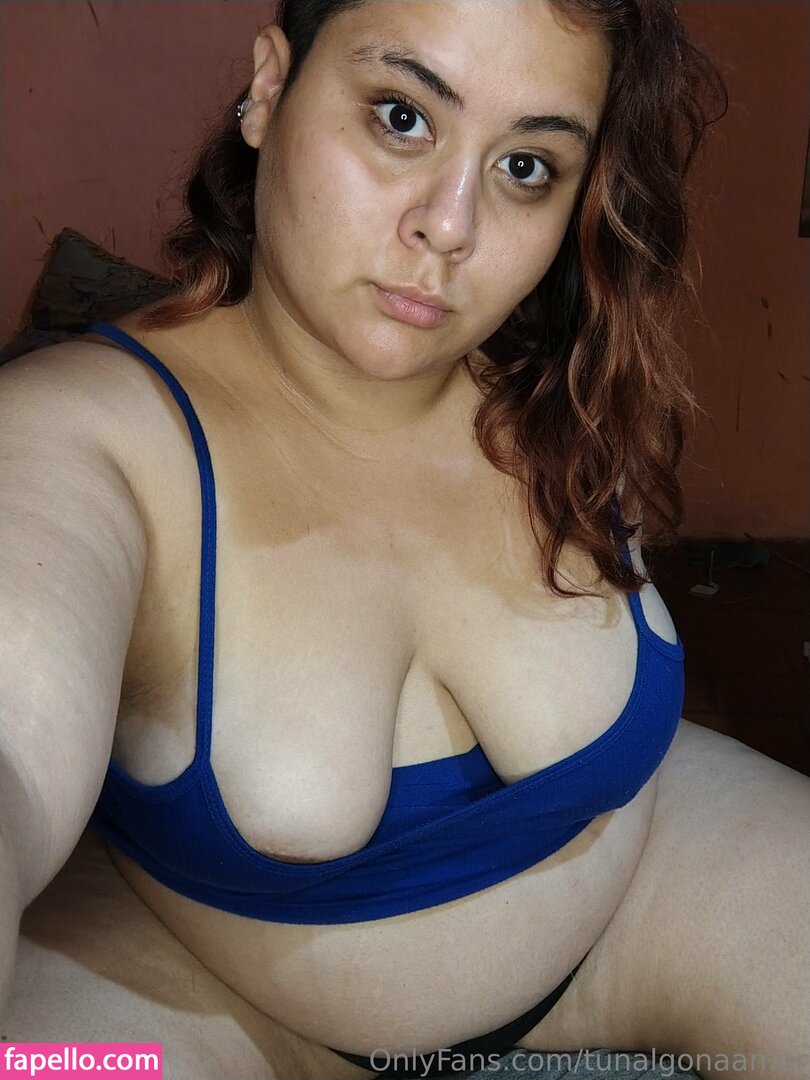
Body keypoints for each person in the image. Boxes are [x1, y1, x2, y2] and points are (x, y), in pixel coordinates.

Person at [1, 2, 808, 1079]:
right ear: (270, 87)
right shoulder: (78, 438)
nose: (451, 226)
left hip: (636, 897)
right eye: (401, 116)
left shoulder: (555, 383)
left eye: (525, 166)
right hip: (216, 1001)